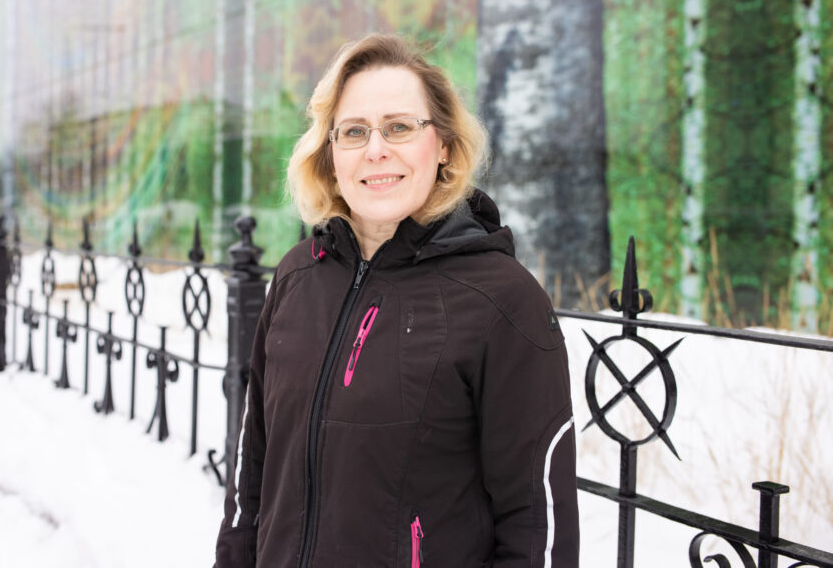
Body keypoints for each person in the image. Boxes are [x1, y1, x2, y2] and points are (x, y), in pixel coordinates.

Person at [215, 33, 578, 567]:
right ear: (330, 153)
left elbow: (534, 529)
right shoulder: (296, 277)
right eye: (354, 131)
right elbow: (253, 474)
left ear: (444, 145)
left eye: (400, 127)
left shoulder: (502, 301)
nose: (375, 149)